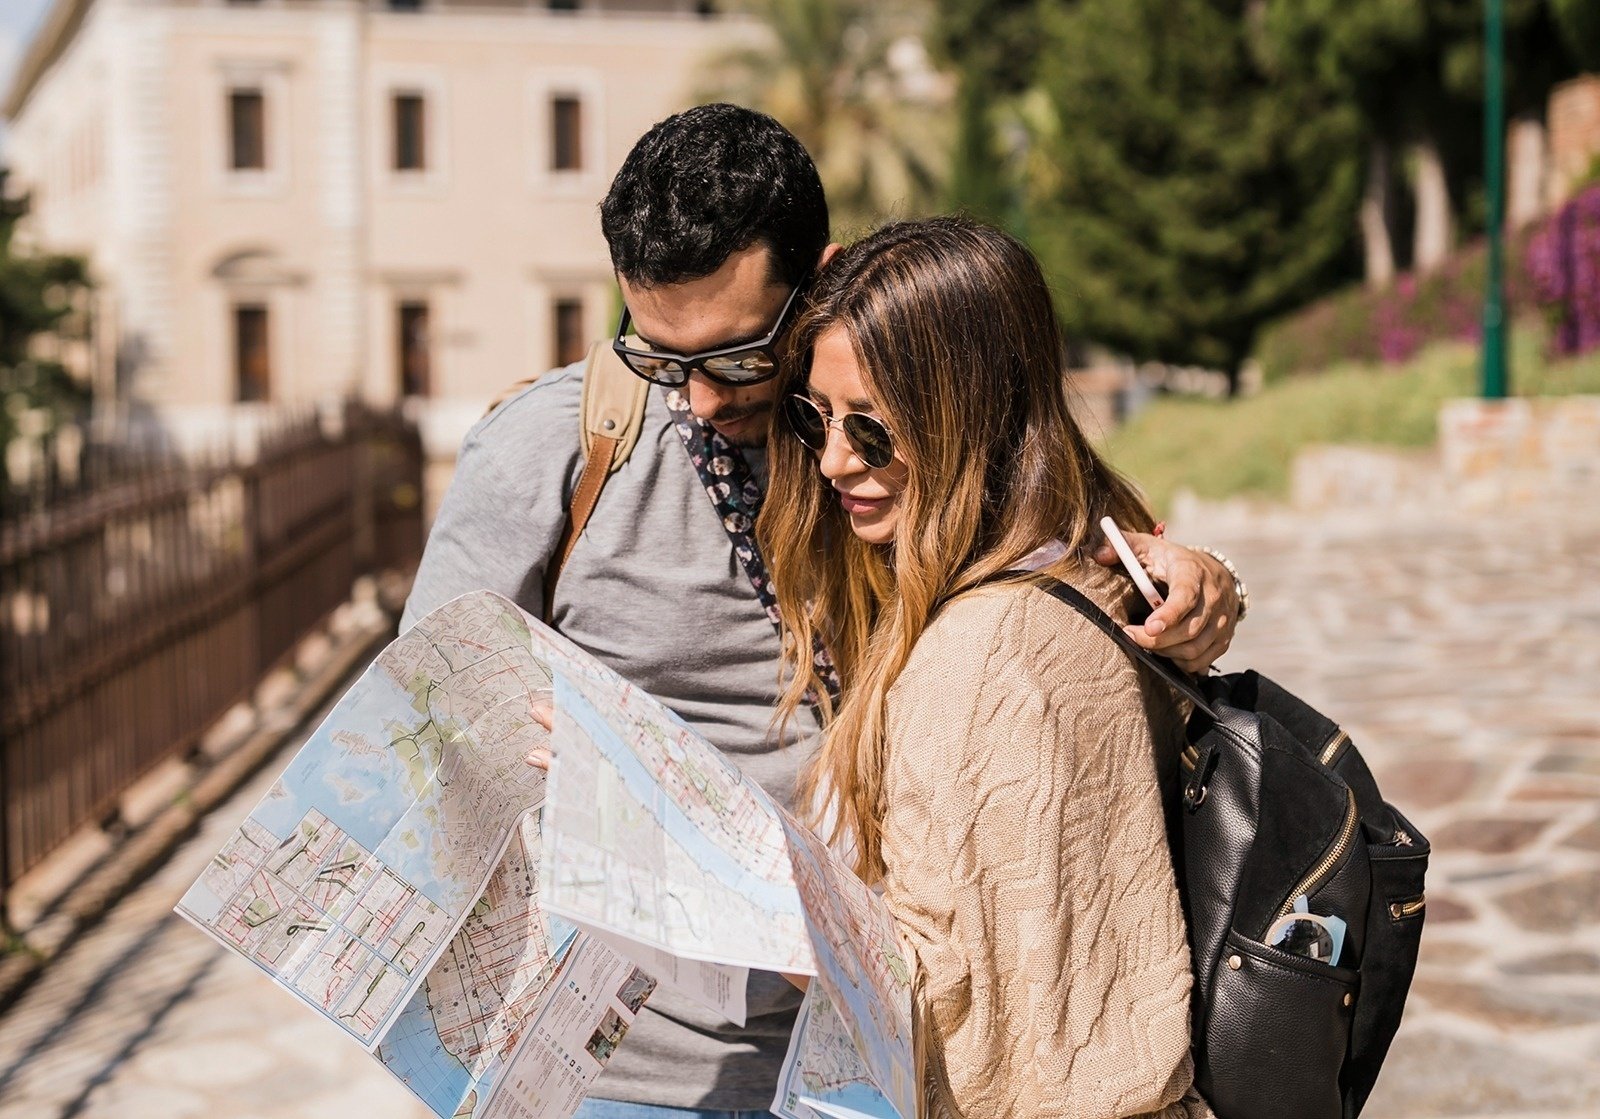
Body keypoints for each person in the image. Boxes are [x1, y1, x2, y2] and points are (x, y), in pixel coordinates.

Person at [405, 106, 1239, 1118]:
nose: (703, 400)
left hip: (886, 1050)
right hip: (645, 1073)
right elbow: (435, 721)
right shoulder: (546, 450)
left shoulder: (889, 435)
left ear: (826, 279)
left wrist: (1196, 578)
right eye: (660, 357)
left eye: (739, 356)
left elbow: (1055, 559)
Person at [761, 216, 1214, 1118]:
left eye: (874, 431)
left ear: (963, 419)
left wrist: (742, 899)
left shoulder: (970, 659)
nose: (834, 458)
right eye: (817, 415)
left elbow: (929, 998)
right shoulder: (1096, 565)